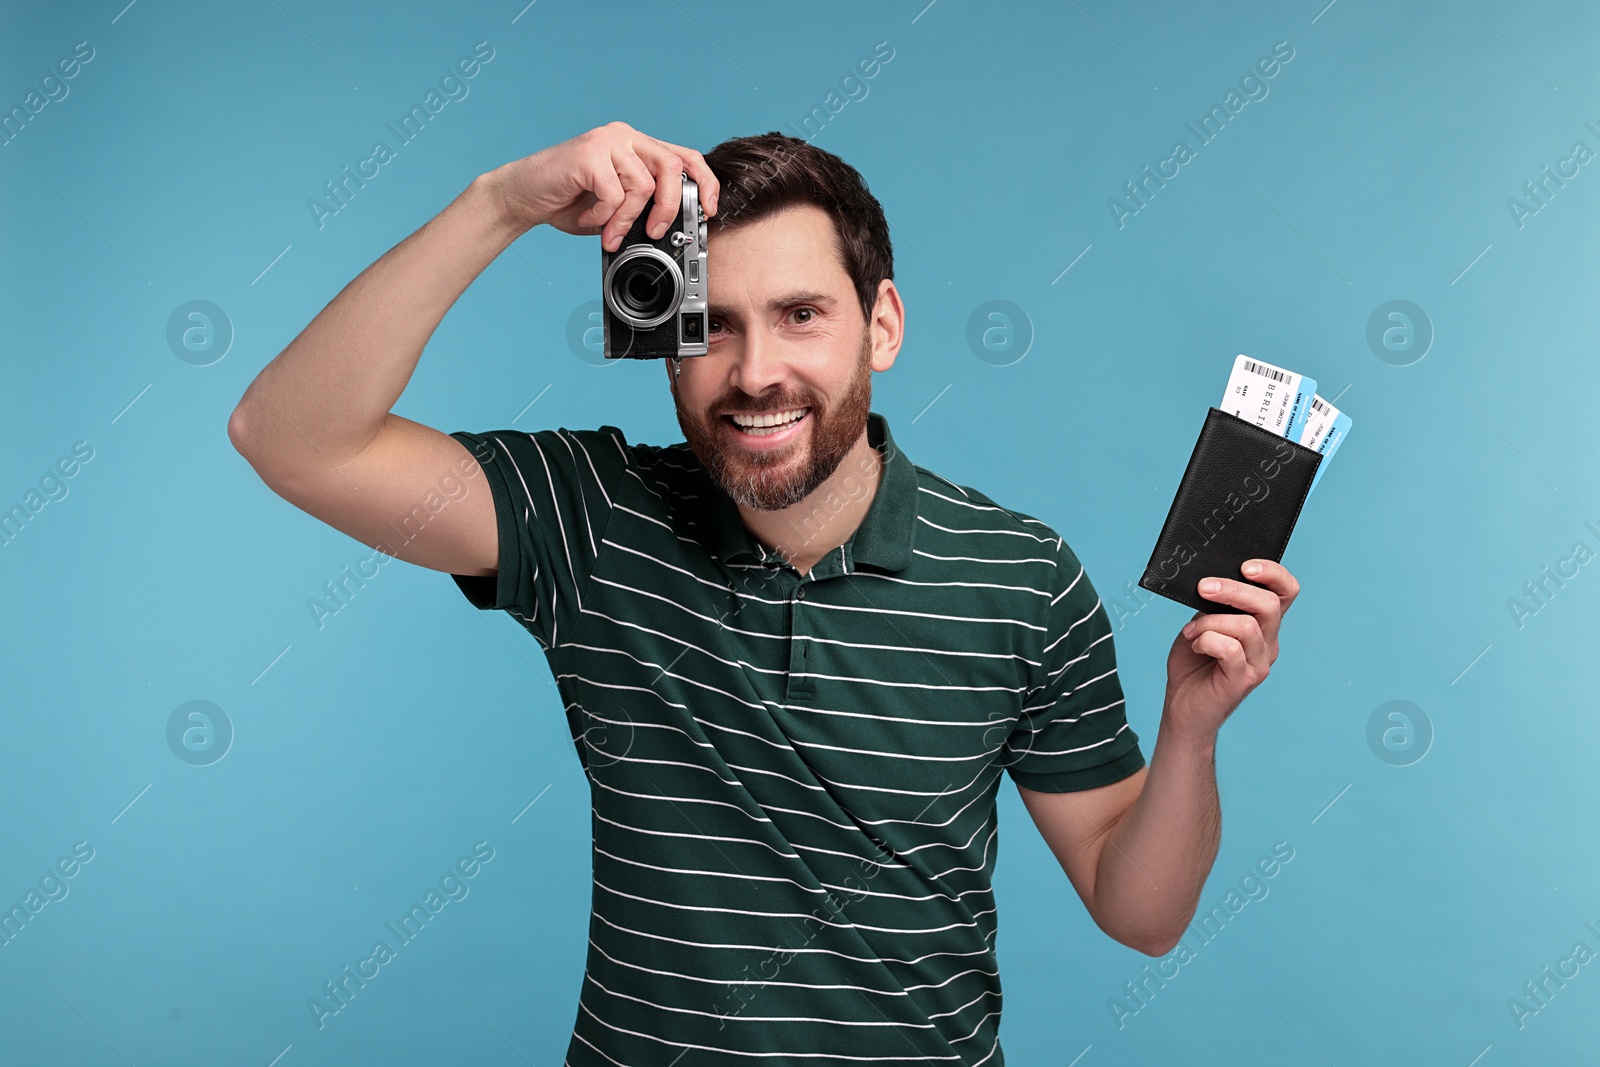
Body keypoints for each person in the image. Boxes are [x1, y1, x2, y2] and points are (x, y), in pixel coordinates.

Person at [228, 121, 1302, 1064]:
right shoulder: (592, 519)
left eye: (799, 314)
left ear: (880, 324)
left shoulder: (1020, 574)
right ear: (661, 337)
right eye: (716, 322)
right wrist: (497, 202)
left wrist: (1192, 730)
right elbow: (290, 440)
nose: (753, 372)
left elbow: (1141, 912)